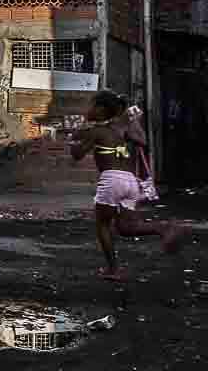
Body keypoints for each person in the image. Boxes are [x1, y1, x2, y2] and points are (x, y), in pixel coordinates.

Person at [69, 90, 187, 281]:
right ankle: (163, 228)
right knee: (126, 227)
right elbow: (142, 141)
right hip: (130, 181)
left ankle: (113, 269)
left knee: (102, 224)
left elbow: (77, 154)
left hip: (111, 180)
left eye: (91, 106)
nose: (88, 109)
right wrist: (133, 121)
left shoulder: (97, 131)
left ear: (100, 109)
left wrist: (73, 141)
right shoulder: (120, 130)